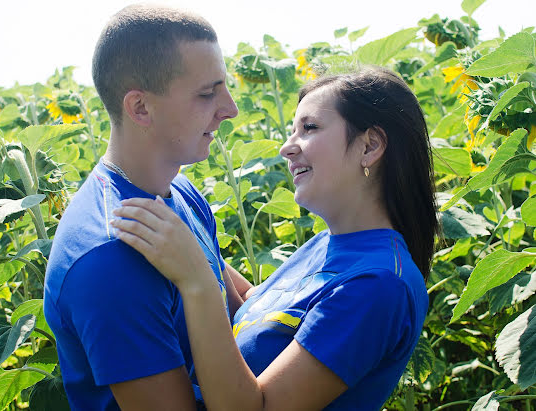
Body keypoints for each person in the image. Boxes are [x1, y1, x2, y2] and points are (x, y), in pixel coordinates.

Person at [110, 66, 439, 410]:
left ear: (369, 146)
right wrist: (189, 234)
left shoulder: (378, 285)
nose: (287, 148)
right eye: (291, 130)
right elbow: (257, 317)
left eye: (309, 128)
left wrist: (197, 281)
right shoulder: (328, 244)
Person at [43, 5, 244, 410]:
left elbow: (240, 310)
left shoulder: (180, 192)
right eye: (207, 93)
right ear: (140, 108)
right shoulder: (110, 258)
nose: (229, 108)